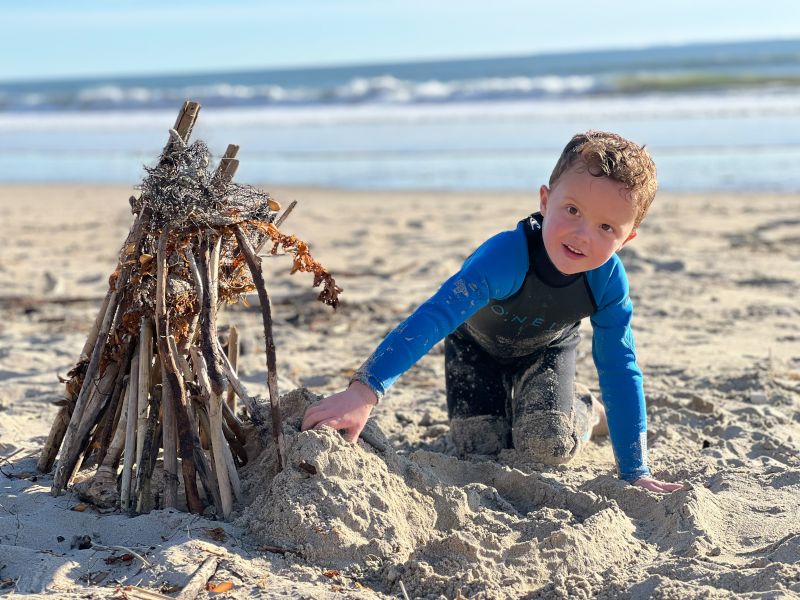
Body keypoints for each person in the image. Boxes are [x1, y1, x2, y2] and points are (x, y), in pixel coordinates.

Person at [302, 130, 683, 493]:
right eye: (571, 210)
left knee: (546, 444)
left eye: (606, 227)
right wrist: (363, 392)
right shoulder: (505, 259)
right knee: (478, 447)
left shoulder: (607, 282)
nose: (583, 235)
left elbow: (619, 364)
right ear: (545, 201)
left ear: (627, 238)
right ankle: (525, 406)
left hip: (547, 351)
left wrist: (636, 471)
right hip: (475, 349)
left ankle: (586, 408)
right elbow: (433, 317)